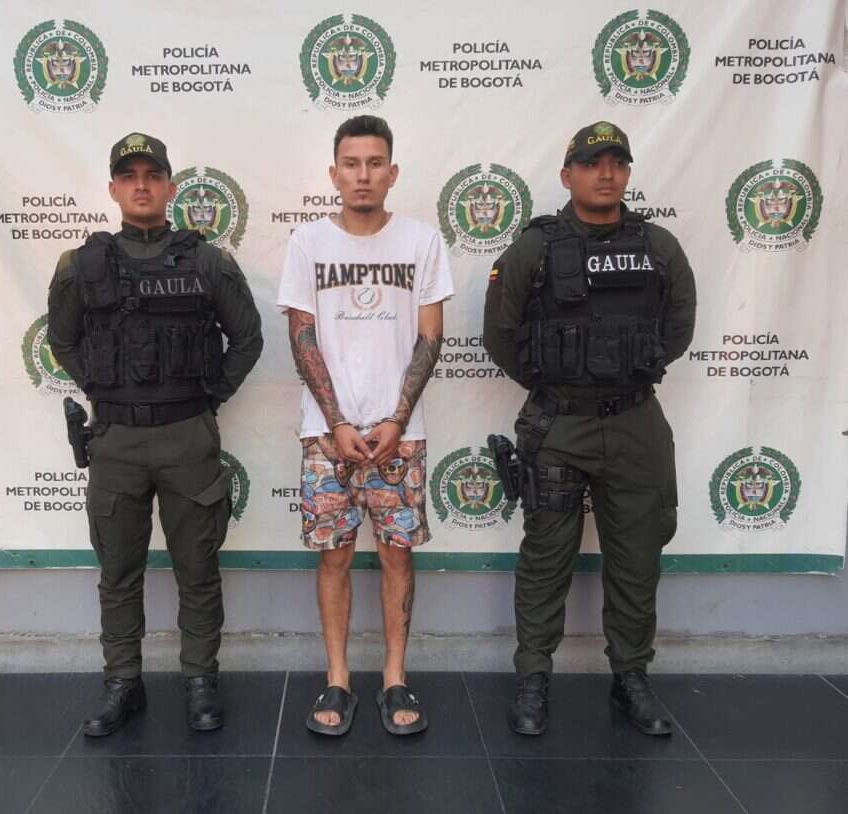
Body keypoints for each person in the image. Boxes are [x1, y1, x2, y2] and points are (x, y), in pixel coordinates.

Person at [483, 122, 696, 736]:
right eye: (592, 162)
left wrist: (617, 374)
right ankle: (533, 677)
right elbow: (501, 334)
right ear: (567, 174)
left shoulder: (658, 247)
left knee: (637, 558)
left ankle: (631, 677)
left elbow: (677, 328)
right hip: (559, 425)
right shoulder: (534, 249)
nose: (606, 173)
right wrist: (559, 382)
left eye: (617, 163)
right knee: (546, 557)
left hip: (635, 424)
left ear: (627, 173)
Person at [47, 133, 263, 736]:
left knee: (198, 569)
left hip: (186, 438)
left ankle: (201, 680)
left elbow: (248, 339)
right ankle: (123, 683)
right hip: (115, 442)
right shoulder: (81, 266)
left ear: (170, 187)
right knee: (118, 572)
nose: (141, 185)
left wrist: (209, 397)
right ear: (113, 188)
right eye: (129, 176)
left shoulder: (208, 263)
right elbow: (62, 339)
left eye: (152, 175)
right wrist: (104, 388)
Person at [277, 115, 454, 736]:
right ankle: (338, 680)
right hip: (326, 436)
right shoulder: (307, 243)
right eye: (351, 164)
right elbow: (301, 337)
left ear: (392, 172)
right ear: (334, 173)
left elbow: (431, 337)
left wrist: (396, 420)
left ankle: (395, 678)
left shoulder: (421, 241)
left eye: (375, 163)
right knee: (335, 557)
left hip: (401, 436)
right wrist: (337, 422)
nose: (363, 175)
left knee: (397, 556)